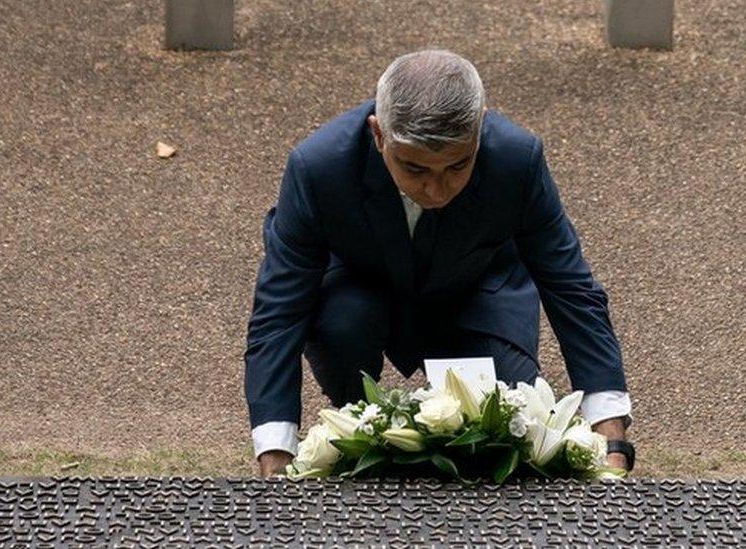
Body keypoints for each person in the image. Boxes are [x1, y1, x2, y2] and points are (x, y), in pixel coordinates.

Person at [244, 49, 634, 477]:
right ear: (379, 134)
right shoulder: (318, 168)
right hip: (359, 293)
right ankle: (362, 421)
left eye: (457, 166)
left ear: (480, 129)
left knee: (503, 425)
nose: (435, 189)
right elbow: (279, 311)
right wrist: (275, 456)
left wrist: (611, 438)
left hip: (476, 290)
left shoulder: (517, 159)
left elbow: (571, 288)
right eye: (414, 168)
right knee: (343, 325)